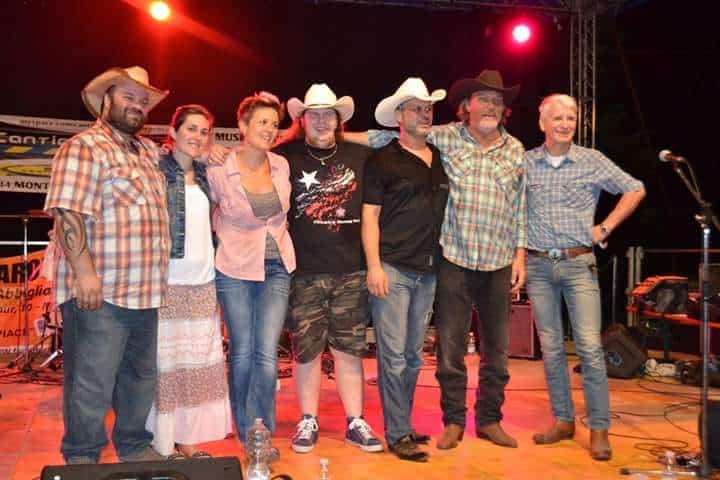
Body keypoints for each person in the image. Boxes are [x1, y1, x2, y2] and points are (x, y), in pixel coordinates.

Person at [356, 69, 528, 450]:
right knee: (449, 351)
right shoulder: (446, 138)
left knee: (497, 353)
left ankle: (489, 420)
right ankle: (453, 422)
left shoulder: (515, 150)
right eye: (483, 100)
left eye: (497, 101)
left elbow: (520, 207)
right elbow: (386, 137)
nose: (491, 107)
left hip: (498, 261)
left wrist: (520, 255)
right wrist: (327, 135)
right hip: (453, 259)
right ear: (467, 106)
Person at [44, 66, 170, 464]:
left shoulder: (146, 152)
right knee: (91, 383)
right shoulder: (85, 147)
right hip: (102, 291)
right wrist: (84, 274)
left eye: (143, 101)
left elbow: (189, 154)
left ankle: (133, 446)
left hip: (145, 291)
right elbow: (68, 212)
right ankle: (82, 457)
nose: (137, 106)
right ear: (106, 100)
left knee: (140, 378)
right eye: (128, 97)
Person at [525, 94, 645, 461]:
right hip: (538, 266)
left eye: (571, 117)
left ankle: (599, 428)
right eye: (558, 118)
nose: (565, 123)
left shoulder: (591, 160)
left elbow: (635, 188)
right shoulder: (525, 162)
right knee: (551, 349)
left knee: (590, 348)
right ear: (542, 123)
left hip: (579, 265)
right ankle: (563, 420)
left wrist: (604, 227)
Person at [274, 84, 383, 454]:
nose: (321, 121)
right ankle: (308, 419)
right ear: (302, 120)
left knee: (349, 350)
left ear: (339, 120)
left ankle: (355, 421)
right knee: (306, 351)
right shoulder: (283, 155)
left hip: (351, 270)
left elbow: (396, 139)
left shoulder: (361, 155)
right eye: (314, 115)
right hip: (303, 271)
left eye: (328, 115)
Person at [361, 78, 448, 462]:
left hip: (428, 271)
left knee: (413, 356)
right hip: (393, 270)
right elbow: (370, 217)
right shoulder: (383, 160)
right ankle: (397, 433)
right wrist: (374, 266)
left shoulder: (439, 157)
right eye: (417, 108)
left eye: (428, 108)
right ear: (399, 115)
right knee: (393, 356)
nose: (425, 114)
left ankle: (404, 425)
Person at [207, 92, 295, 460]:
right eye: (262, 122)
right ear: (242, 126)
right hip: (235, 267)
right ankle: (246, 432)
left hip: (277, 267)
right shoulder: (219, 166)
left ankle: (263, 432)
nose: (270, 129)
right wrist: (207, 150)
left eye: (274, 124)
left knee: (267, 355)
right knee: (242, 352)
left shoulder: (281, 165)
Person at [145, 104, 233, 458]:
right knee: (167, 366)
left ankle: (188, 438)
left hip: (203, 281)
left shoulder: (206, 173)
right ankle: (162, 441)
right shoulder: (157, 169)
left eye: (204, 131)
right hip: (168, 283)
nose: (198, 136)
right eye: (191, 129)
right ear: (173, 131)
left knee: (196, 365)